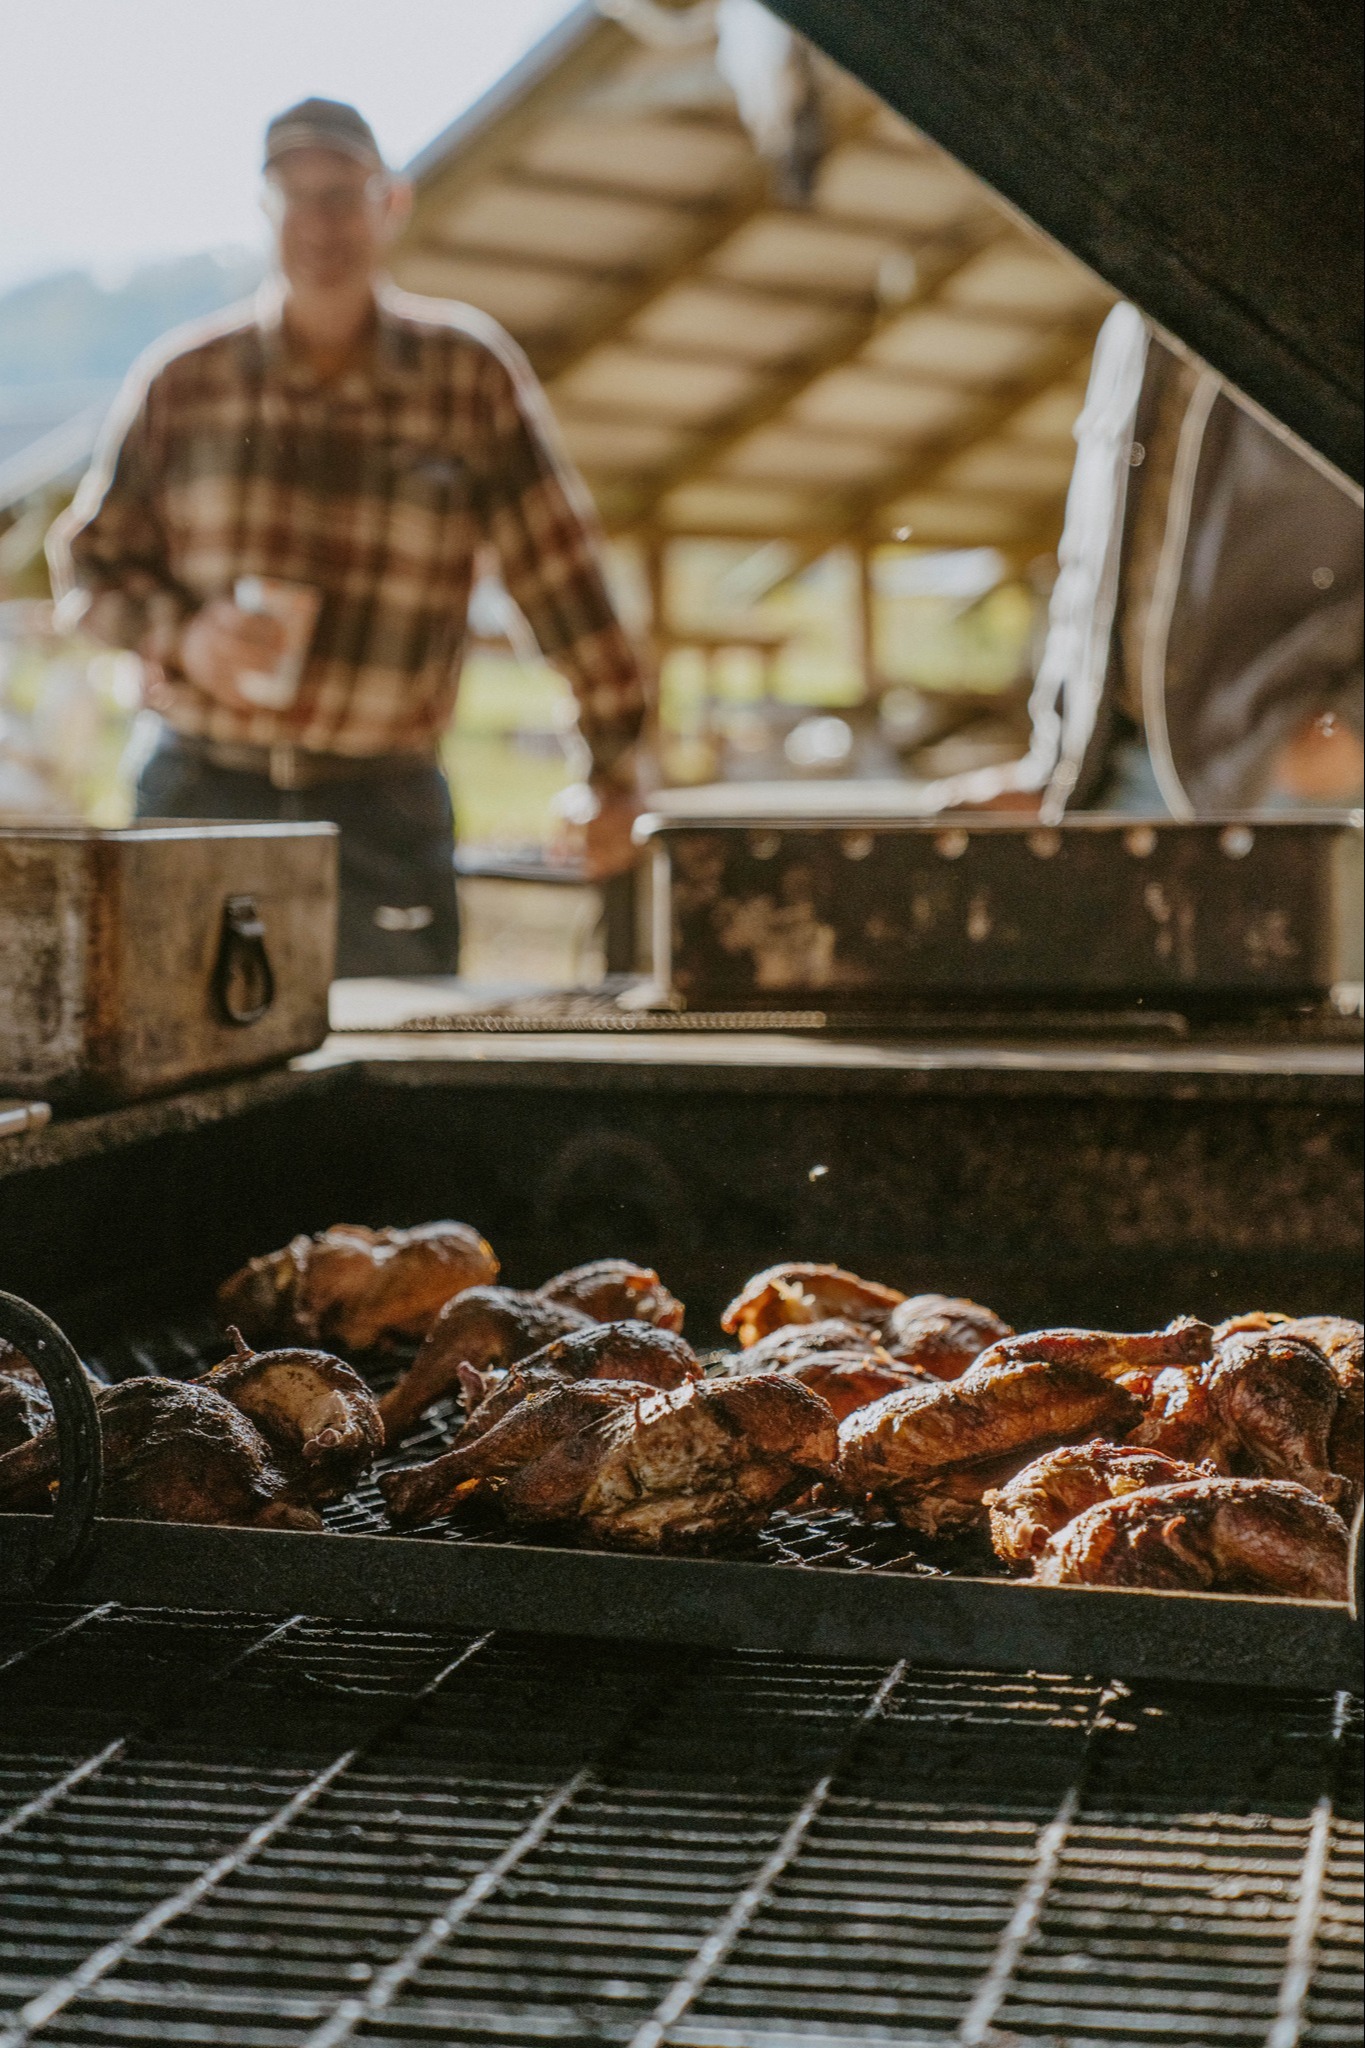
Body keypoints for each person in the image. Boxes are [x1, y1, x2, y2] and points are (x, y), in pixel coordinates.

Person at [49, 98, 648, 975]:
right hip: (197, 795)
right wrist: (187, 634)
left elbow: (561, 583)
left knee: (386, 1090)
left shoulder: (465, 376)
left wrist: (612, 767)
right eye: (295, 199)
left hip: (382, 809)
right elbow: (88, 571)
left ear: (389, 205)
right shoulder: (186, 381)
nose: (318, 224)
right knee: (178, 1076)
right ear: (265, 212)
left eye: (340, 196)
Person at [917, 302, 1363, 821]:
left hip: (1283, 772)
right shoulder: (1133, 317)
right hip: (1118, 772)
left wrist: (1355, 726)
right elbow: (1092, 553)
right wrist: (1056, 762)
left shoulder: (1336, 286)